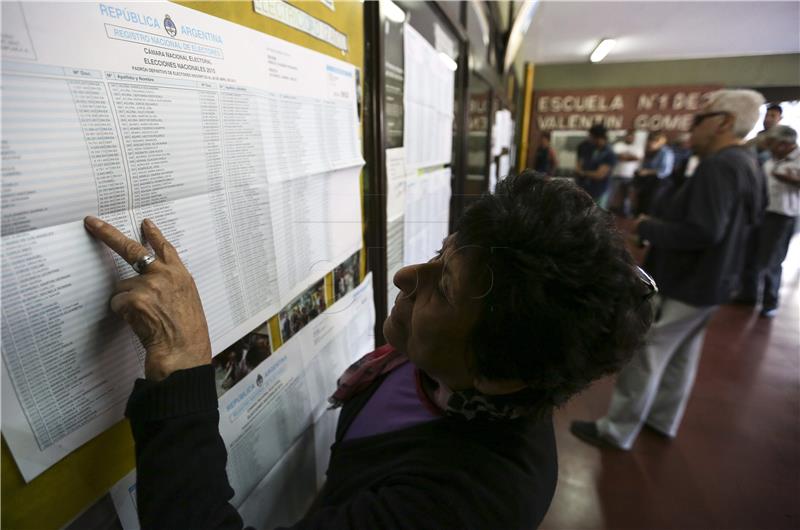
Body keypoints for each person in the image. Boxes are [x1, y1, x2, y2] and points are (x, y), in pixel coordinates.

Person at [83, 171, 653, 529]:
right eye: (440, 252)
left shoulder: (470, 505)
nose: (406, 275)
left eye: (445, 287)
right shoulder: (443, 370)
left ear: (499, 374)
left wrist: (183, 363)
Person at [570, 89, 766, 451]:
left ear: (724, 122)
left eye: (698, 121)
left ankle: (617, 430)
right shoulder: (747, 164)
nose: (691, 131)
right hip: (714, 283)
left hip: (688, 282)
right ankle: (662, 419)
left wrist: (647, 227)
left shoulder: (719, 166)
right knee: (680, 355)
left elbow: (705, 230)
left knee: (645, 351)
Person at [737, 125, 800, 317]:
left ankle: (770, 301)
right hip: (762, 212)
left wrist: (790, 180)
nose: (769, 146)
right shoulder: (770, 159)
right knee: (751, 255)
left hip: (782, 217)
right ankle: (748, 295)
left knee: (772, 260)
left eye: (773, 143)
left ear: (785, 144)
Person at [632, 131, 675, 215]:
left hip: (659, 183)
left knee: (650, 206)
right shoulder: (650, 151)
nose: (650, 143)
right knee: (640, 205)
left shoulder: (666, 153)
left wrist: (647, 172)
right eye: (649, 140)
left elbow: (665, 171)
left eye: (653, 141)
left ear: (660, 142)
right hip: (647, 182)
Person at [575, 124, 617, 204]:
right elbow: (579, 164)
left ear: (598, 137)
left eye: (591, 137)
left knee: (597, 214)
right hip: (584, 190)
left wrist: (583, 173)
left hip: (599, 192)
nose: (589, 139)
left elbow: (599, 175)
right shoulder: (588, 148)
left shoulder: (609, 154)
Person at [608, 130, 642, 216]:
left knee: (627, 197)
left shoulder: (638, 147)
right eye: (628, 136)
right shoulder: (618, 145)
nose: (630, 138)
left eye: (631, 137)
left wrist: (625, 157)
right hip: (616, 174)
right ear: (625, 137)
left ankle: (625, 213)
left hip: (630, 176)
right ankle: (606, 211)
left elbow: (638, 158)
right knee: (610, 195)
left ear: (634, 138)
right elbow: (618, 157)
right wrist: (630, 157)